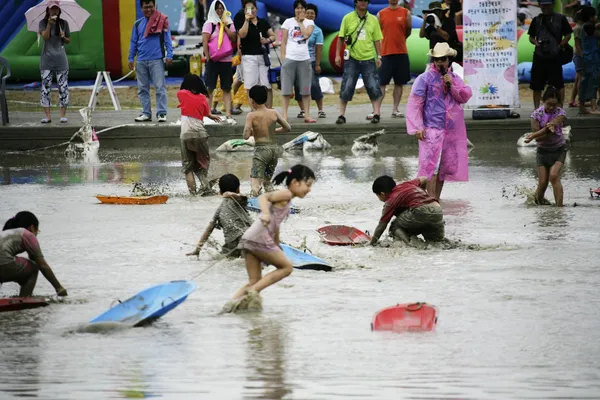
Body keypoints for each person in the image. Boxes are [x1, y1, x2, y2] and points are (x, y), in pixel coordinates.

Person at [223, 165, 316, 313]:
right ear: (294, 183)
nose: (309, 189)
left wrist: (277, 243)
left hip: (249, 238)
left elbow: (276, 223)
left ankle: (229, 306)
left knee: (254, 280)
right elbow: (262, 197)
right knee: (286, 268)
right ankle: (252, 292)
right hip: (259, 239)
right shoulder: (285, 194)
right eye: (308, 185)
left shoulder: (287, 200)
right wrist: (265, 213)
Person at [406, 42, 472, 201]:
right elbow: (415, 103)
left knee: (443, 168)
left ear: (449, 60)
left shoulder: (455, 78)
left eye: (443, 59)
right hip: (431, 129)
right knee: (430, 167)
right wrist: (417, 127)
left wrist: (451, 85)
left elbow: (462, 98)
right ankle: (429, 200)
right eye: (437, 59)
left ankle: (436, 200)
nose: (439, 62)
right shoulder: (424, 79)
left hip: (451, 130)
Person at [335, 0, 384, 124]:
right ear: (356, 3)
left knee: (373, 86)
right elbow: (340, 38)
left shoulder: (373, 19)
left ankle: (376, 113)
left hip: (368, 58)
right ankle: (341, 115)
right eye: (360, 0)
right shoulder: (347, 18)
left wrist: (379, 56)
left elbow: (377, 39)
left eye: (365, 1)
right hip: (351, 57)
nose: (363, 3)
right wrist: (337, 55)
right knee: (347, 85)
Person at [0, 212, 67, 297]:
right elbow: (42, 265)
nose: (36, 235)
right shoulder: (28, 235)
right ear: (32, 228)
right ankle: (24, 299)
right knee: (34, 267)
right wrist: (59, 288)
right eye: (37, 231)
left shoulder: (6, 233)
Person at [186, 174, 253, 258]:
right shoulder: (238, 202)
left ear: (220, 192)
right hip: (248, 238)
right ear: (238, 189)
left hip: (234, 242)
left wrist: (197, 249)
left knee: (226, 260)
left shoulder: (230, 205)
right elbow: (244, 197)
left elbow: (208, 230)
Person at [128, 0, 174, 123]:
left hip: (156, 60)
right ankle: (146, 113)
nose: (148, 9)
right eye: (145, 7)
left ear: (155, 6)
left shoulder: (162, 20)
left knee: (160, 87)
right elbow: (133, 42)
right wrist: (131, 58)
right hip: (141, 61)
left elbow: (168, 39)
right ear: (141, 8)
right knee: (142, 88)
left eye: (150, 7)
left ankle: (161, 113)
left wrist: (170, 54)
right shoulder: (137, 24)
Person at [177, 74, 221, 195]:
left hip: (186, 135)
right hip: (201, 134)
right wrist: (212, 116)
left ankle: (193, 195)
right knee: (202, 164)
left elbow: (183, 91)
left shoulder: (182, 94)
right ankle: (205, 187)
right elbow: (206, 113)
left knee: (188, 168)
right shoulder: (203, 98)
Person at [244, 85, 291, 196]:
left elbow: (246, 135)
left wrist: (251, 132)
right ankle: (272, 201)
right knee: (267, 183)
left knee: (255, 183)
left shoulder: (251, 115)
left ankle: (254, 200)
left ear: (252, 100)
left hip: (261, 151)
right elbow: (288, 128)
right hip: (274, 150)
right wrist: (274, 131)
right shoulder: (273, 113)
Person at [524, 86, 567, 206]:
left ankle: (559, 208)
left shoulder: (560, 113)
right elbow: (540, 137)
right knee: (543, 182)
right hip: (542, 151)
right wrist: (541, 133)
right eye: (549, 104)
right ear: (543, 101)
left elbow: (553, 124)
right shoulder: (536, 115)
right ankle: (536, 205)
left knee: (553, 176)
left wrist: (533, 135)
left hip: (559, 150)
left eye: (554, 104)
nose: (551, 107)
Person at [370, 176, 444, 245]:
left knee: (394, 226)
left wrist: (372, 243)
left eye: (377, 196)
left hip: (420, 210)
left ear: (382, 194)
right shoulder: (407, 184)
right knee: (436, 243)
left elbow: (381, 225)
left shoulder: (390, 201)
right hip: (437, 209)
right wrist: (424, 193)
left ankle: (410, 245)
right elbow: (424, 179)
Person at [527, 0, 572, 108]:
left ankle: (560, 108)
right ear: (539, 5)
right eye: (543, 5)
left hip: (555, 56)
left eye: (548, 5)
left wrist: (561, 45)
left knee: (558, 84)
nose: (546, 7)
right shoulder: (536, 20)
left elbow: (568, 34)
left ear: (552, 5)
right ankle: (536, 109)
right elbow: (531, 37)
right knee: (536, 85)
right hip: (539, 56)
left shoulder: (560, 18)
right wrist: (536, 43)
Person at [372, 0, 412, 120]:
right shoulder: (380, 14)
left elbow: (408, 31)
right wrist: (379, 53)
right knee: (382, 83)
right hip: (386, 53)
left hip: (401, 53)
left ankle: (395, 109)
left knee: (399, 83)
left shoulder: (406, 13)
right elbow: (377, 34)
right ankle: (376, 111)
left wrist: (400, 40)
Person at [235, 0, 276, 108]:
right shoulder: (242, 21)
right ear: (244, 10)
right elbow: (242, 35)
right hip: (248, 56)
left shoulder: (262, 22)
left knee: (266, 84)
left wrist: (267, 40)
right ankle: (254, 111)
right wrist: (247, 20)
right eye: (248, 9)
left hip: (263, 57)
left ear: (256, 9)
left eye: (252, 8)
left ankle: (269, 109)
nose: (251, 11)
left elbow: (273, 35)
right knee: (250, 85)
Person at [280, 0, 316, 123]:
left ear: (305, 10)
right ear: (294, 9)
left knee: (305, 89)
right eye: (297, 8)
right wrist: (283, 58)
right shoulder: (287, 22)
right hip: (290, 58)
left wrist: (301, 22)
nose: (299, 10)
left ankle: (306, 115)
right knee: (286, 89)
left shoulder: (309, 22)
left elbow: (306, 35)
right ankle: (284, 115)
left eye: (302, 8)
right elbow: (283, 42)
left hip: (304, 59)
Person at [203, 0, 237, 123]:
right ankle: (208, 113)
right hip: (212, 60)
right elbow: (205, 42)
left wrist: (224, 26)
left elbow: (233, 38)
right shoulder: (209, 24)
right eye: (217, 8)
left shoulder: (229, 22)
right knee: (210, 87)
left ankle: (228, 113)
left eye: (221, 8)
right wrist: (207, 58)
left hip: (226, 60)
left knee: (226, 87)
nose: (220, 11)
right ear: (213, 9)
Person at [39, 2, 70, 124]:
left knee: (63, 87)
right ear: (48, 10)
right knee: (45, 88)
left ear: (59, 10)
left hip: (61, 60)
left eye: (56, 9)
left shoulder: (64, 23)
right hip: (46, 60)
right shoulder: (42, 22)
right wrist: (48, 25)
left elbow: (68, 40)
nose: (54, 11)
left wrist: (63, 36)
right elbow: (45, 38)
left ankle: (63, 115)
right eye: (52, 9)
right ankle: (47, 116)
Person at [294, 3, 326, 119]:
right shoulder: (296, 26)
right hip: (297, 61)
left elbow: (319, 48)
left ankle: (320, 110)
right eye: (308, 13)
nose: (310, 15)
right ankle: (302, 110)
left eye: (312, 13)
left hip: (310, 61)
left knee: (314, 85)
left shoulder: (317, 31)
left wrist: (317, 64)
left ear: (315, 16)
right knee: (298, 86)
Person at [578, 11, 600, 114]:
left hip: (589, 58)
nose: (596, 17)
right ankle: (593, 107)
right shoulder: (588, 26)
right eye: (594, 15)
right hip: (591, 58)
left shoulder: (585, 26)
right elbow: (596, 33)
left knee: (587, 81)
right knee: (592, 82)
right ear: (590, 17)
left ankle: (583, 106)